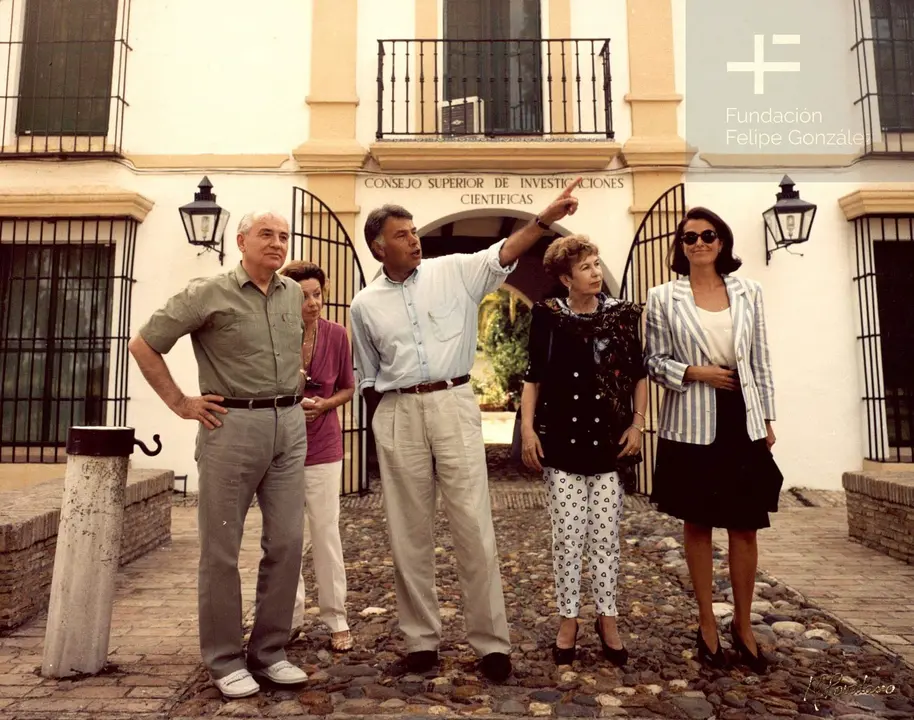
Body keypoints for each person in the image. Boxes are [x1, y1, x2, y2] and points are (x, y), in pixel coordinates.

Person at [349, 180, 583, 682]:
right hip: (397, 410)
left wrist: (544, 219)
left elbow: (505, 250)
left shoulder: (453, 271)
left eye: (415, 231)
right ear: (378, 246)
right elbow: (366, 372)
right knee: (407, 531)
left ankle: (491, 643)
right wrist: (388, 411)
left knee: (473, 524)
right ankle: (420, 641)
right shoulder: (363, 305)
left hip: (454, 402)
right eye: (402, 234)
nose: (414, 240)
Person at [128, 211, 310, 698]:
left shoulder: (292, 294)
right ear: (241, 241)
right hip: (230, 427)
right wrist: (181, 403)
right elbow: (144, 343)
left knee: (289, 542)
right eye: (266, 235)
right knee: (222, 550)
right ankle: (225, 659)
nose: (277, 243)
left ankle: (270, 652)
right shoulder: (206, 292)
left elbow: (295, 351)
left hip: (289, 426)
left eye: (283, 236)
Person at [644, 206, 783, 674]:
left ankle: (743, 626)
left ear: (721, 241)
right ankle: (706, 622)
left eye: (707, 235)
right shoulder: (663, 297)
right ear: (680, 247)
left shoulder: (750, 292)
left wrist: (766, 418)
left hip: (741, 418)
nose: (699, 243)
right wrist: (694, 372)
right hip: (691, 421)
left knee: (745, 525)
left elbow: (760, 357)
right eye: (689, 238)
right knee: (698, 522)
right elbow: (653, 361)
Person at [520, 235, 648, 667]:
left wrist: (637, 423)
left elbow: (638, 373)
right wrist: (527, 430)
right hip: (561, 441)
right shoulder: (548, 316)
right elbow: (533, 376)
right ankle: (569, 619)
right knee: (568, 537)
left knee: (606, 537)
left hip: (609, 441)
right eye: (586, 267)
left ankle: (608, 619)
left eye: (597, 264)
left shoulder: (622, 316)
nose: (596, 272)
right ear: (564, 277)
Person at [278, 261, 355, 652]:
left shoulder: (338, 335)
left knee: (326, 534)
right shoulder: (275, 335)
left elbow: (348, 388)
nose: (312, 303)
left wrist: (325, 404)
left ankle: (336, 618)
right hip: (283, 449)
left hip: (324, 447)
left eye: (317, 294)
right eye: (304, 295)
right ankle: (287, 620)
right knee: (286, 539)